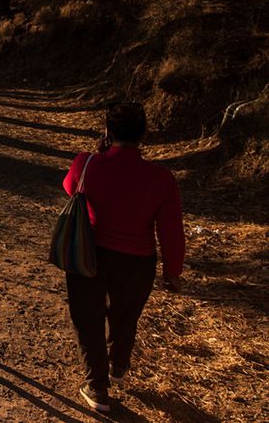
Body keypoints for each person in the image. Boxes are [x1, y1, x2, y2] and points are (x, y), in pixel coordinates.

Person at [62, 102, 185, 413]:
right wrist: (173, 271)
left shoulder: (87, 163)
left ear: (107, 131)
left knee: (87, 318)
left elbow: (69, 187)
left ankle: (97, 388)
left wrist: (99, 154)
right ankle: (118, 366)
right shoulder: (162, 178)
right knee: (125, 315)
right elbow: (170, 230)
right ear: (144, 134)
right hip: (138, 261)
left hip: (89, 254)